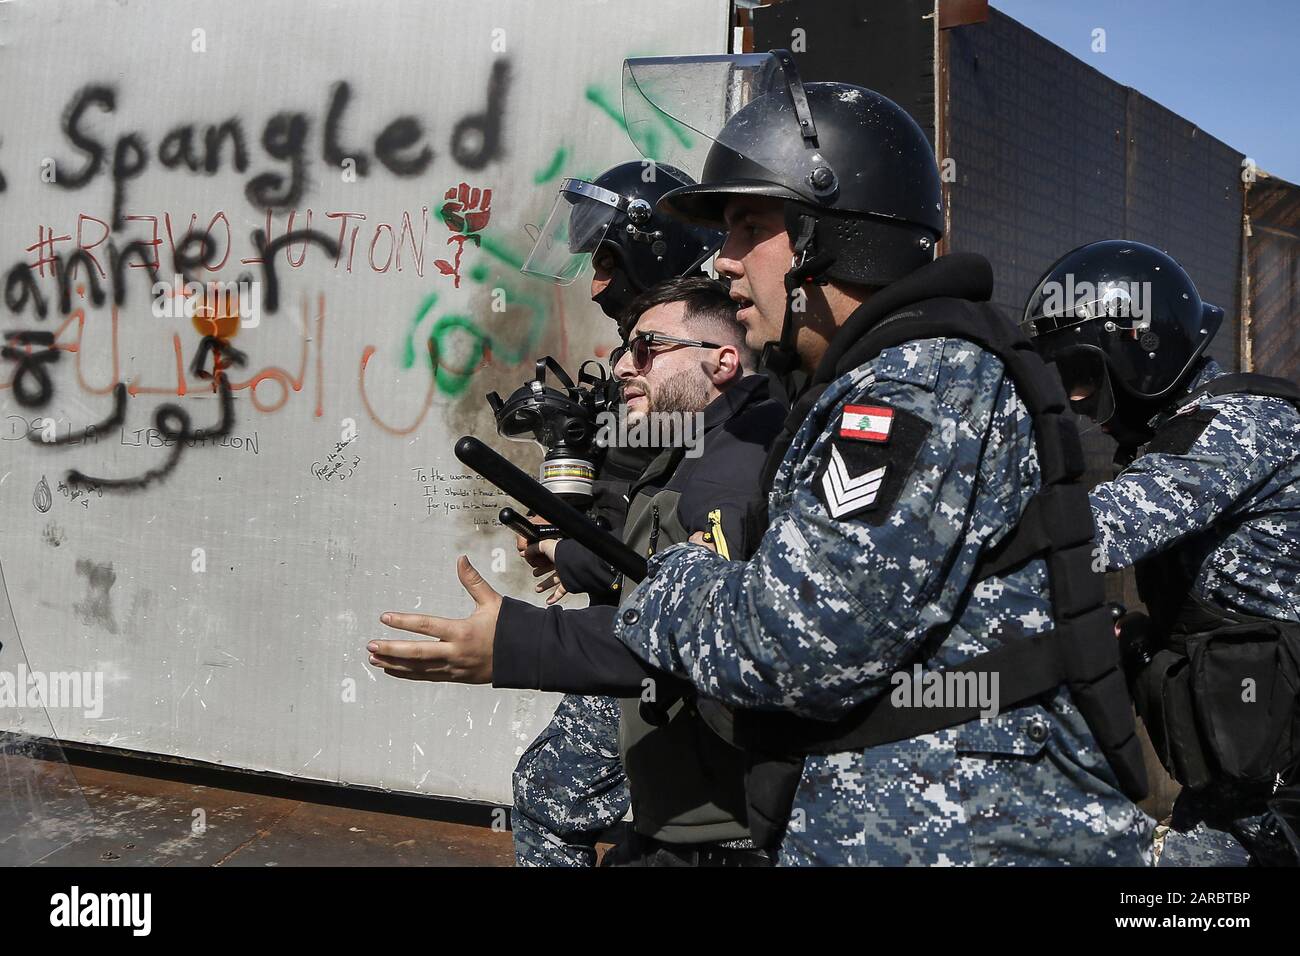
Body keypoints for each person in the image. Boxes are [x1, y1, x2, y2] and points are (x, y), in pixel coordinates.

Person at [602, 50, 1152, 865]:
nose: (722, 259)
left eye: (749, 227)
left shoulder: (908, 392)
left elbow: (793, 645)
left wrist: (669, 581)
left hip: (959, 836)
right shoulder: (896, 373)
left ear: (830, 240)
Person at [371, 276, 785, 866]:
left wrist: (516, 641)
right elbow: (651, 563)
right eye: (624, 350)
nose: (622, 366)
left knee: (551, 795)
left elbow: (698, 633)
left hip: (717, 794)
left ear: (721, 362)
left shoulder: (731, 467)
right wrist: (565, 555)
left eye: (647, 348)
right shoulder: (702, 441)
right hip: (685, 781)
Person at [1022, 239, 1300, 866]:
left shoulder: (1233, 426)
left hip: (1276, 816)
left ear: (1141, 348)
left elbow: (1086, 537)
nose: (1075, 403)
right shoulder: (1194, 429)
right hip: (1239, 797)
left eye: (1080, 377)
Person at [497, 162, 722, 866]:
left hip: (662, 633)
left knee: (549, 795)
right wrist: (570, 444)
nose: (595, 284)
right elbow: (615, 499)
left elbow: (658, 523)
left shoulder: (695, 366)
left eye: (606, 259)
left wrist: (568, 557)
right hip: (634, 620)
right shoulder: (650, 357)